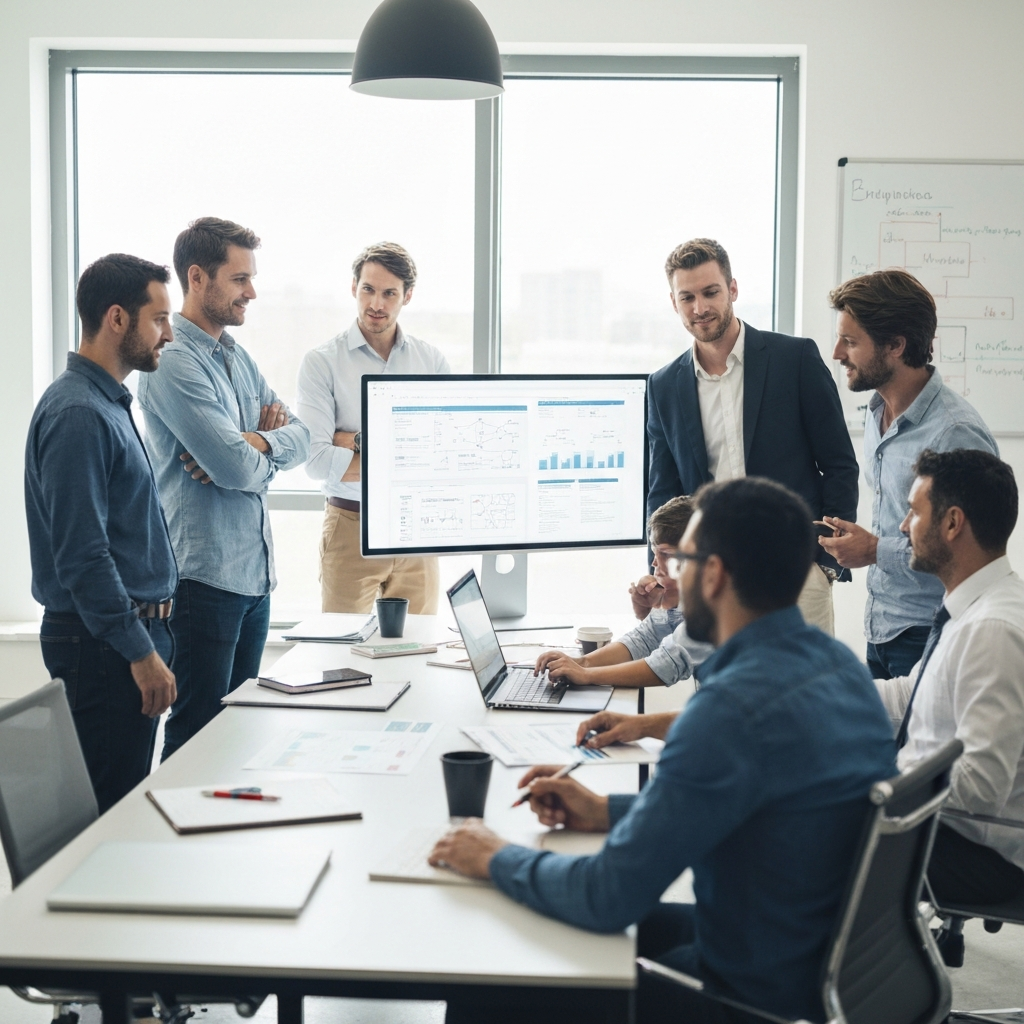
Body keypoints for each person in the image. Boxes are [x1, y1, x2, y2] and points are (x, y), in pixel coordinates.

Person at [430, 477, 895, 1024]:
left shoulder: (728, 711)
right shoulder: (840, 667)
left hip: (748, 995)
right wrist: (606, 810)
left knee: (489, 976)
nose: (669, 577)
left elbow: (607, 896)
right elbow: (754, 801)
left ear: (714, 575)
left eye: (682, 562)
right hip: (810, 951)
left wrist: (494, 855)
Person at [138, 218, 309, 761]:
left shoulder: (235, 356)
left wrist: (253, 443)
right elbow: (234, 470)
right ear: (198, 277)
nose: (251, 292)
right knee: (196, 736)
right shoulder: (173, 363)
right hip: (203, 583)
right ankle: (177, 847)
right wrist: (252, 450)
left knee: (236, 735)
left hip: (253, 579)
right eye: (239, 279)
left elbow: (302, 435)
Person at [25, 254, 179, 813]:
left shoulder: (105, 404)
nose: (168, 334)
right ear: (118, 318)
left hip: (117, 643)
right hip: (105, 649)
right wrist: (140, 652)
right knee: (106, 819)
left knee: (119, 808)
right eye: (158, 319)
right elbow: (83, 556)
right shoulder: (79, 414)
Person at [647, 238, 858, 637]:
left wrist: (826, 563)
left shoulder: (793, 359)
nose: (700, 308)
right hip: (711, 576)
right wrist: (664, 573)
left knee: (800, 693)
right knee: (722, 693)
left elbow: (838, 463)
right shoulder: (663, 386)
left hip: (796, 571)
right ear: (674, 303)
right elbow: (663, 492)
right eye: (687, 297)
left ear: (733, 289)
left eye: (710, 292)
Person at [821, 270, 998, 678]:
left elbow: (972, 551)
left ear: (896, 345)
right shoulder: (876, 411)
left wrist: (873, 550)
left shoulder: (955, 432)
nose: (836, 353)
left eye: (850, 341)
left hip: (932, 633)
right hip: (881, 628)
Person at [875, 448, 1024, 907]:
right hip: (950, 827)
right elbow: (913, 694)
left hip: (984, 852)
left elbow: (978, 789)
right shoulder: (973, 608)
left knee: (805, 826)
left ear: (952, 523)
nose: (903, 527)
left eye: (914, 513)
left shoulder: (992, 629)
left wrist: (881, 781)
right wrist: (825, 694)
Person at [297, 242, 449, 615]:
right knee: (341, 655)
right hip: (350, 524)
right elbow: (316, 460)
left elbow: (445, 453)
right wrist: (407, 450)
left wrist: (350, 441)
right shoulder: (321, 363)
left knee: (418, 649)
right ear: (354, 288)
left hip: (415, 529)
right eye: (368, 289)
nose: (376, 304)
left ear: (407, 296)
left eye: (389, 293)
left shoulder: (431, 362)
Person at [533, 496, 712, 688]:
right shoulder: (690, 596)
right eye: (654, 552)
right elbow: (645, 638)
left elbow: (667, 664)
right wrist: (580, 663)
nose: (654, 563)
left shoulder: (716, 607)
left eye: (665, 554)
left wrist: (586, 674)